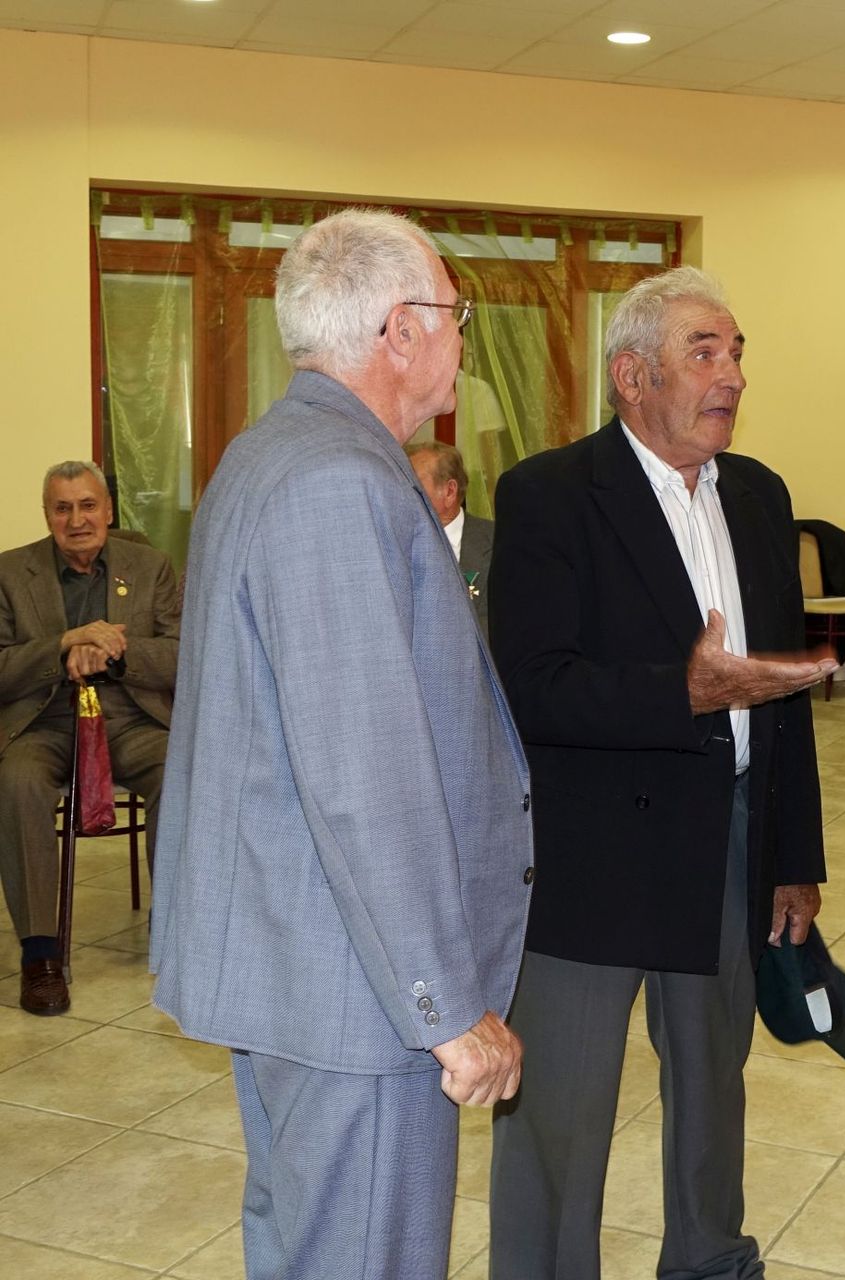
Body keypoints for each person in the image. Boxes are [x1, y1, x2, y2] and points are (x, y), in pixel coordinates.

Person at [149, 209, 533, 1280]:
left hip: (304, 961)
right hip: (355, 992)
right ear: (400, 329)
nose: (462, 338)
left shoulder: (276, 452)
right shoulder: (338, 479)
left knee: (309, 1247)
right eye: (455, 313)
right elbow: (362, 778)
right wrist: (443, 1007)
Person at [487, 266, 834, 1279]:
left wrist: (793, 856)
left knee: (713, 1084)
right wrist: (680, 691)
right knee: (561, 1109)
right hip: (593, 854)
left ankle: (710, 1259)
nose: (732, 374)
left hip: (728, 840)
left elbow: (782, 695)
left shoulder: (760, 495)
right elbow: (532, 686)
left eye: (737, 353)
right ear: (632, 376)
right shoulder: (549, 494)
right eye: (704, 352)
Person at [0, 460, 179, 1015]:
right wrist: (63, 645)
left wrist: (115, 655)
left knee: (180, 769)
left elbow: (185, 654)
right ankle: (41, 955)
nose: (76, 520)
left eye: (87, 506)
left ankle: (177, 930)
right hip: (45, 719)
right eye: (62, 508)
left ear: (108, 510)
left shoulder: (151, 567)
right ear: (46, 514)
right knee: (17, 782)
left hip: (129, 716)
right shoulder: (10, 572)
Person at [407, 439, 494, 634]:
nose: (402, 494)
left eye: (413, 485)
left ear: (449, 491)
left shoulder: (498, 543)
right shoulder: (392, 544)